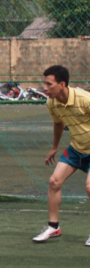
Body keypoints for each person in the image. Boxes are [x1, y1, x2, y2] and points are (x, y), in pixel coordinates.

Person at [32, 65, 90, 245]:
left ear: (62, 84)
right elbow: (58, 124)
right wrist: (55, 147)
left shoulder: (85, 99)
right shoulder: (52, 102)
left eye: (49, 84)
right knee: (54, 182)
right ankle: (53, 227)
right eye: (45, 84)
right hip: (76, 149)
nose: (45, 88)